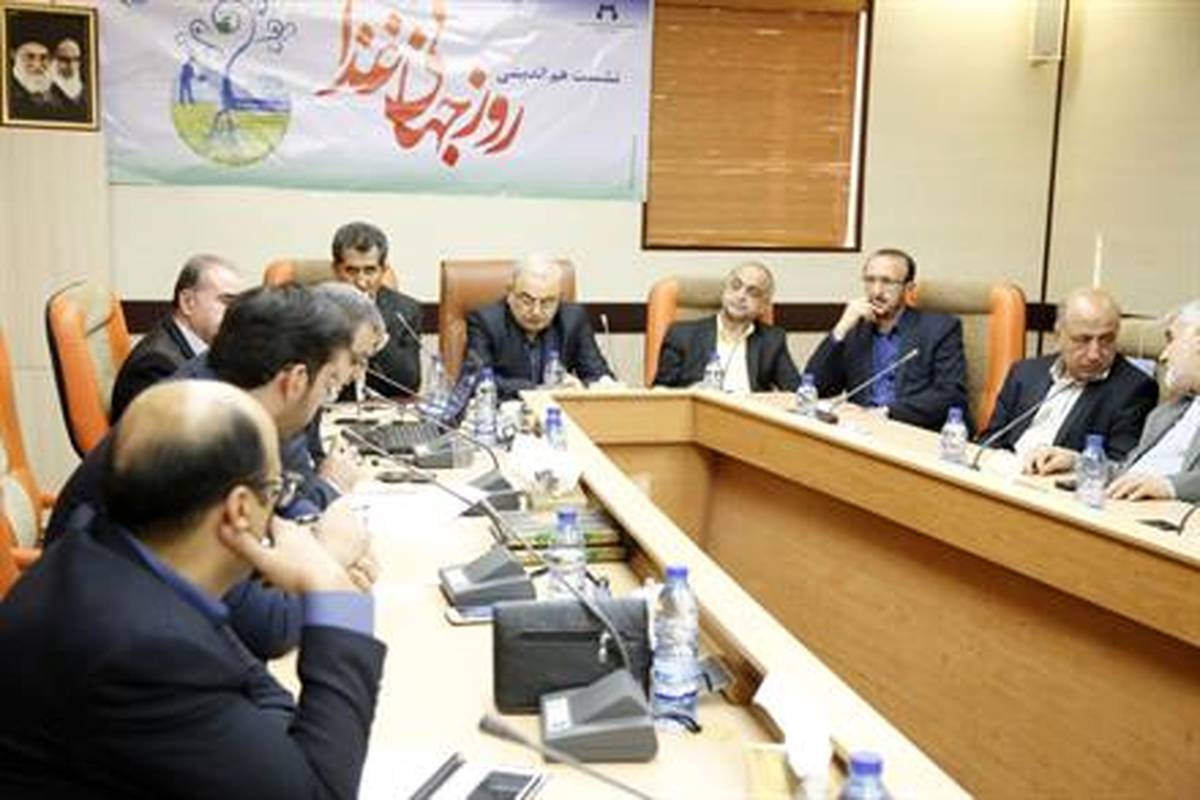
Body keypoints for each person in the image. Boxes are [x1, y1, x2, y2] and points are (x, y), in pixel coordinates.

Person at [0, 381, 385, 798]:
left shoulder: (108, 552)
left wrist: (275, 750)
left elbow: (257, 698)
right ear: (240, 509)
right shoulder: (142, 649)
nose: (279, 511)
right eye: (277, 490)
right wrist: (333, 589)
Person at [45, 284, 365, 659]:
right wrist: (329, 561)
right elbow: (268, 628)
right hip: (101, 654)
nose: (324, 401)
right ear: (294, 381)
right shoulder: (199, 442)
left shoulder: (228, 396)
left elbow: (279, 506)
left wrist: (311, 535)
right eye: (329, 386)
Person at [980, 288, 1158, 472]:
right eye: (1083, 340)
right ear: (1058, 336)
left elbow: (1121, 466)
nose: (1094, 354)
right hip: (1000, 475)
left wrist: (1075, 462)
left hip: (1053, 483)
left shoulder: (1134, 389)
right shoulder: (1025, 373)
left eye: (1106, 340)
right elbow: (989, 441)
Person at [805, 248, 968, 430]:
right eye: (870, 280)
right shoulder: (855, 329)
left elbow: (951, 395)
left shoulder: (939, 328)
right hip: (860, 431)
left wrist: (887, 412)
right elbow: (814, 387)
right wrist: (840, 329)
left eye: (887, 282)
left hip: (910, 430)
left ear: (908, 288)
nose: (876, 291)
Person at [110, 254, 244, 422]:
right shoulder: (156, 365)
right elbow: (171, 433)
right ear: (187, 302)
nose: (237, 313)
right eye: (227, 302)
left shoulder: (204, 343)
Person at [465, 255, 614, 400]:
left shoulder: (573, 319)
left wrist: (587, 386)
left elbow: (597, 373)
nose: (536, 311)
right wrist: (540, 390)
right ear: (510, 294)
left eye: (547, 302)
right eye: (527, 300)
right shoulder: (485, 322)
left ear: (559, 299)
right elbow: (476, 380)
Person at [652, 261, 800, 392]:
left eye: (752, 292)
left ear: (763, 306)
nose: (741, 296)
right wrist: (692, 392)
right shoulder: (682, 335)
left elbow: (797, 392)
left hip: (750, 412)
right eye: (736, 286)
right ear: (725, 290)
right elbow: (659, 393)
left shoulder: (772, 340)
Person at [1105, 300, 1200, 502]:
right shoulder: (1165, 413)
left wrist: (1169, 486)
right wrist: (1078, 462)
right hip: (1122, 506)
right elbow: (1128, 474)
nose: (1163, 356)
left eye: (1171, 340)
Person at [331, 221, 423, 396]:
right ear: (336, 269)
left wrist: (376, 335)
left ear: (383, 270)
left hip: (384, 408)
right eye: (351, 271)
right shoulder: (315, 310)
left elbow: (409, 385)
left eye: (370, 270)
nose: (361, 282)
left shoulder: (406, 311)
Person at [7, 41, 57, 119]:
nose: (37, 65)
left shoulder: (58, 97)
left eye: (43, 58)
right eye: (30, 57)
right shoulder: (7, 95)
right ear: (14, 56)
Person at [49, 38, 86, 118]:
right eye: (65, 60)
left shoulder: (85, 90)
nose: (71, 65)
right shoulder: (47, 91)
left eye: (75, 59)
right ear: (55, 60)